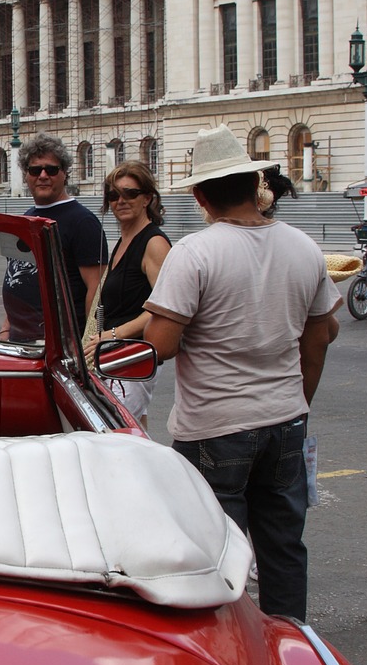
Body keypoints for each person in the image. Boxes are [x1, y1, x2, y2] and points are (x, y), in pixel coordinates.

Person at [143, 124, 341, 622]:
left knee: (219, 556)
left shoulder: (195, 253)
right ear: (256, 186)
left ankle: (234, 657)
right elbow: (321, 334)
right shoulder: (304, 248)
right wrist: (301, 402)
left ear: (200, 195)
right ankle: (291, 644)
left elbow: (160, 345)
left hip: (215, 428)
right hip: (286, 420)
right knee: (283, 548)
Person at [82, 161, 171, 428]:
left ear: (147, 199)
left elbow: (165, 307)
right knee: (132, 430)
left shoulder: (153, 243)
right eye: (113, 195)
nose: (120, 201)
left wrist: (111, 335)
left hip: (132, 358)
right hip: (114, 359)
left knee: (115, 431)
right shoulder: (123, 241)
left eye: (130, 193)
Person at [0, 133, 107, 343]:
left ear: (64, 173)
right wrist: (5, 329)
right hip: (19, 341)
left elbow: (96, 291)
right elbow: (16, 277)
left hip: (59, 345)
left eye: (51, 169)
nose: (43, 175)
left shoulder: (83, 222)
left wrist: (85, 344)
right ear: (26, 175)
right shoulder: (26, 219)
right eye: (35, 170)